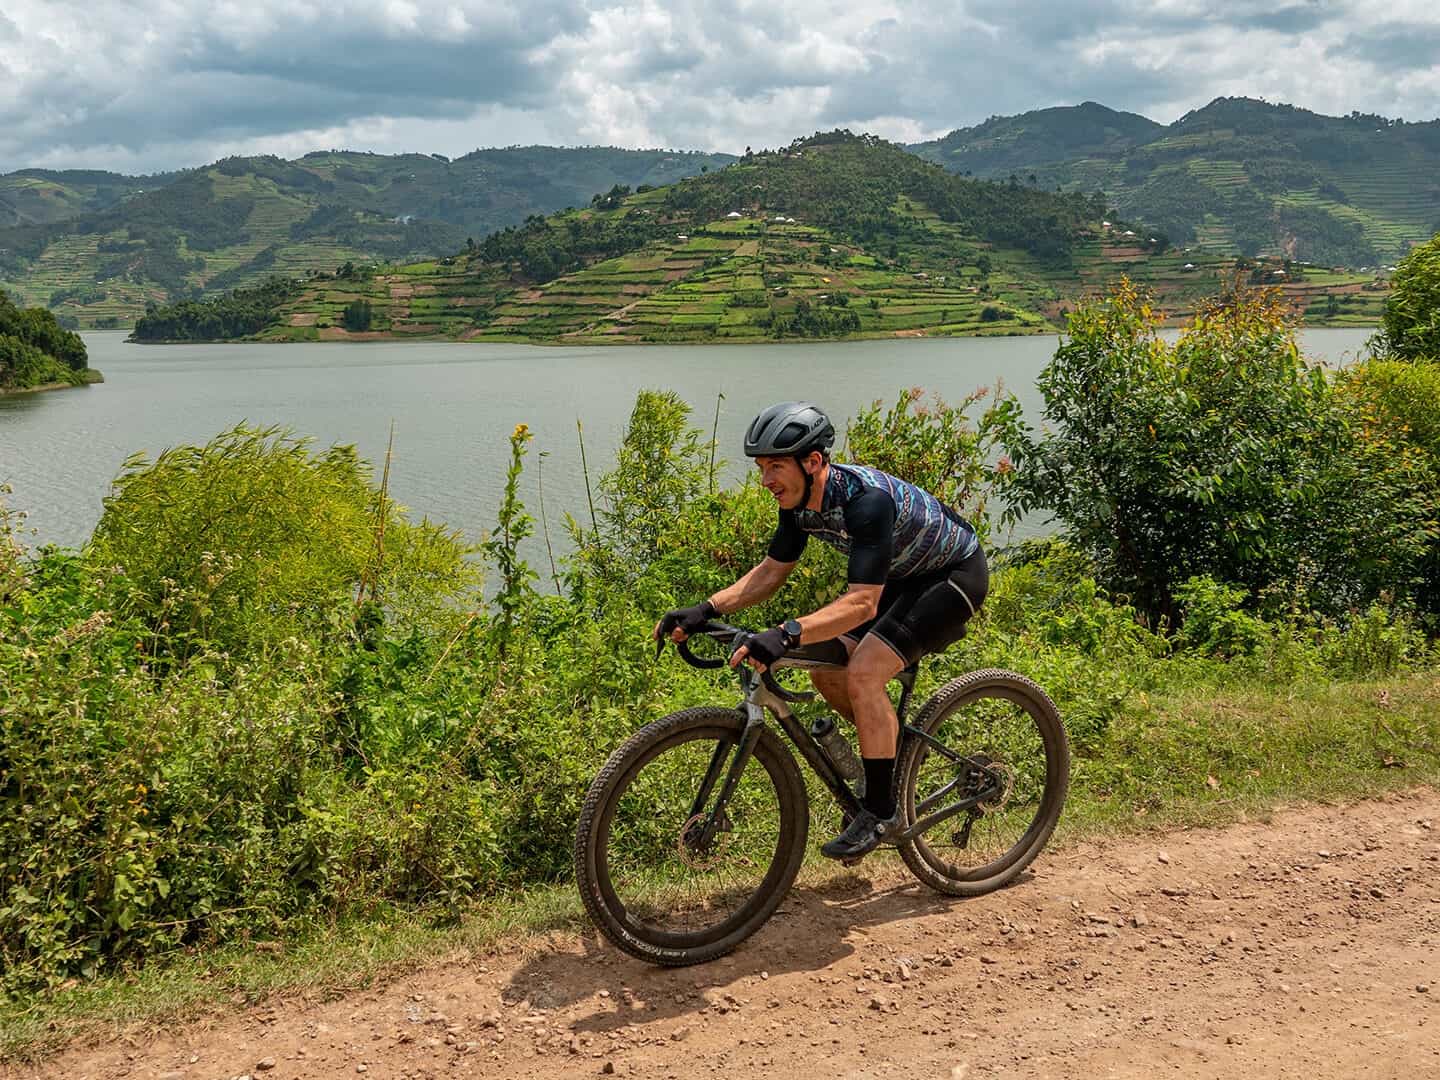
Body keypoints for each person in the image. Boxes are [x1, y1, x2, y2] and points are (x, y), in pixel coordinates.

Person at [654, 401, 989, 860]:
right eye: (761, 467)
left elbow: (861, 602)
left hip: (952, 576)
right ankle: (892, 754)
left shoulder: (865, 502)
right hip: (898, 579)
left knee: (865, 673)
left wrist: (787, 633)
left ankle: (881, 810)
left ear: (813, 463)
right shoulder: (797, 504)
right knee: (825, 670)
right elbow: (771, 573)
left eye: (776, 466)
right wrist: (704, 608)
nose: (766, 480)